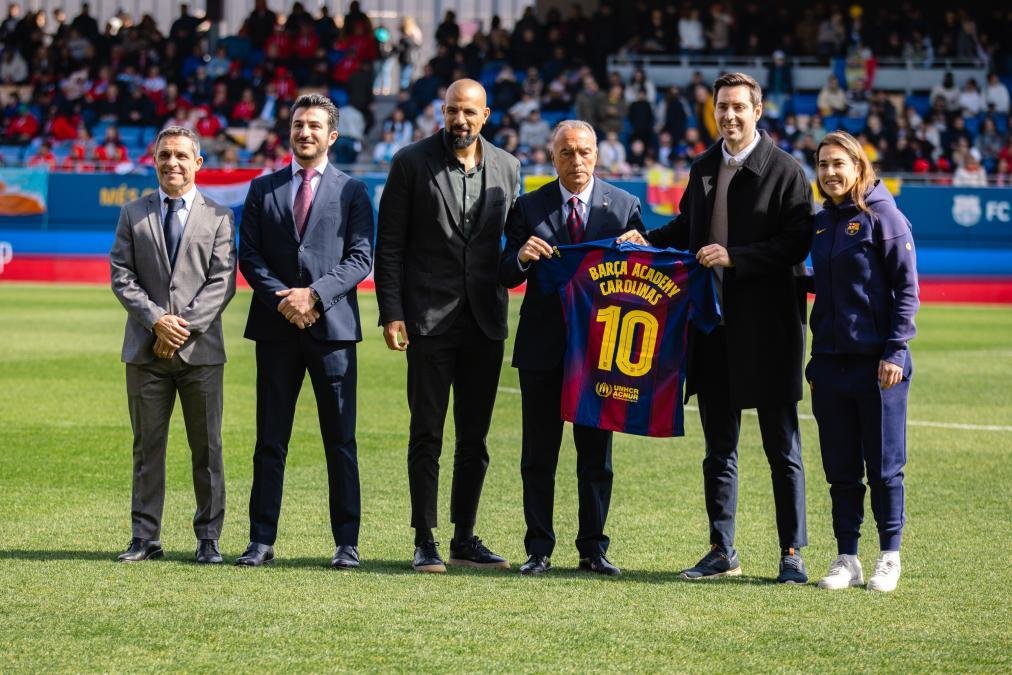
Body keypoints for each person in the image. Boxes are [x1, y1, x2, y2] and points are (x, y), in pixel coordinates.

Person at [618, 72, 813, 583]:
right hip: (713, 329)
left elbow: (796, 244)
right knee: (719, 450)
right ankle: (721, 549)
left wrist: (735, 257)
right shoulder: (704, 166)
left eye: (738, 107)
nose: (729, 115)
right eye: (722, 107)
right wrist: (647, 239)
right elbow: (689, 227)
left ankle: (792, 553)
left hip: (770, 332)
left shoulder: (787, 171)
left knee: (782, 450)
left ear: (757, 111)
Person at [374, 79, 521, 573]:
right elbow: (389, 246)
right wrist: (392, 312)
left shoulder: (508, 167)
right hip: (428, 321)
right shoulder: (410, 162)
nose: (461, 120)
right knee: (427, 434)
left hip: (485, 321)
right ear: (442, 112)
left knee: (475, 439)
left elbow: (512, 244)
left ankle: (464, 537)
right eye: (453, 111)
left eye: (470, 112)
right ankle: (424, 538)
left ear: (486, 115)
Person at [499, 120, 643, 577]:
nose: (576, 161)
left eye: (583, 152)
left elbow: (645, 273)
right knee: (538, 455)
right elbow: (504, 271)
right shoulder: (528, 206)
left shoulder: (624, 207)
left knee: (596, 456)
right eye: (566, 152)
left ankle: (593, 549)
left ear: (596, 154)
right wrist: (521, 256)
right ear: (552, 156)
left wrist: (641, 248)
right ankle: (538, 548)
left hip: (603, 353)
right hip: (543, 349)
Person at [236, 94, 374, 569]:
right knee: (270, 440)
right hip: (277, 329)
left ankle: (347, 543)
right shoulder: (263, 188)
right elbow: (250, 257)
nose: (305, 132)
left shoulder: (353, 191)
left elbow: (360, 258)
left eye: (314, 125)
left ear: (331, 135)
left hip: (332, 330)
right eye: (298, 124)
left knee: (340, 440)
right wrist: (287, 300)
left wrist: (312, 296)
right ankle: (260, 540)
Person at [109, 126, 237, 564]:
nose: (172, 163)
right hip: (145, 352)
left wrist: (180, 329)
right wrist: (157, 322)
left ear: (197, 162)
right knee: (147, 448)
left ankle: (209, 539)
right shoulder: (132, 213)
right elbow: (121, 276)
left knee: (208, 448)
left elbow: (222, 282)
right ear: (154, 161)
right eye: (165, 155)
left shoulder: (219, 216)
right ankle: (145, 538)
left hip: (201, 353)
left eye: (181, 155)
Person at [808, 131, 919, 593]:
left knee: (884, 466)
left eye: (839, 163)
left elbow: (907, 289)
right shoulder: (821, 223)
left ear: (858, 166)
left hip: (878, 366)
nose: (830, 173)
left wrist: (895, 351)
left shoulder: (884, 216)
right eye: (822, 165)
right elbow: (828, 286)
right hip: (830, 365)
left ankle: (889, 556)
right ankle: (847, 557)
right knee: (841, 468)